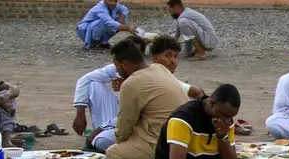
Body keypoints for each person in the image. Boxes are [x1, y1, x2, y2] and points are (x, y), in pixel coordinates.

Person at [73, 35, 204, 151]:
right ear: (154, 58)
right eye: (168, 55)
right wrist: (80, 113)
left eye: (176, 57)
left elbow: (194, 91)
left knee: (108, 146)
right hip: (127, 122)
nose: (173, 61)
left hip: (151, 134)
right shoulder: (130, 71)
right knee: (94, 84)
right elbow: (86, 80)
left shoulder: (160, 76)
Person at [154, 84, 277, 159]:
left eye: (231, 117)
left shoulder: (225, 121)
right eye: (224, 115)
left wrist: (222, 137)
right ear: (212, 104)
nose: (228, 120)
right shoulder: (183, 119)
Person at [106, 39, 187, 159]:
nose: (117, 71)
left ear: (124, 64)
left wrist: (122, 143)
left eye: (117, 67)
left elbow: (124, 127)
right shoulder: (160, 68)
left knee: (113, 153)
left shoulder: (131, 83)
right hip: (182, 142)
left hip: (164, 147)